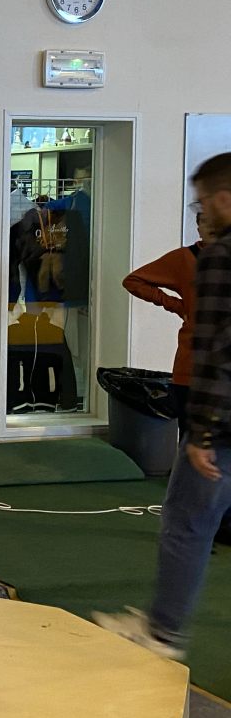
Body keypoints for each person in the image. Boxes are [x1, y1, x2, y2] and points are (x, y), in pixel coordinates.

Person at [95, 152, 231, 659]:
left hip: (216, 411)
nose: (202, 213)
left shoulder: (217, 258)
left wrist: (204, 432)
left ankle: (162, 633)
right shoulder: (193, 257)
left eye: (203, 203)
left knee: (184, 521)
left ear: (221, 198)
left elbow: (217, 352)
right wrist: (175, 305)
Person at [123, 210, 219, 431]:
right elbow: (134, 281)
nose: (211, 226)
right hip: (192, 363)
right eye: (205, 221)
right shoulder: (184, 259)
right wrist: (176, 305)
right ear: (198, 227)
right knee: (190, 439)